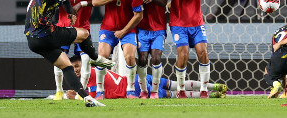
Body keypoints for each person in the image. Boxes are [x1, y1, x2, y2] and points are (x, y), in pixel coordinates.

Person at [25, 0, 114, 107]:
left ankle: (87, 98)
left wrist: (70, 13)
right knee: (84, 34)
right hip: (45, 34)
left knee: (66, 66)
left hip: (33, 41)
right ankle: (96, 59)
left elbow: (64, 0)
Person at [92, 0, 143, 99]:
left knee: (130, 56)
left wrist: (123, 31)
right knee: (102, 56)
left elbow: (138, 15)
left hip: (127, 29)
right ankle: (100, 91)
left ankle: (131, 90)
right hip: (108, 28)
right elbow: (95, 1)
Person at [66, 56, 228, 99]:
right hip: (136, 79)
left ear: (83, 65)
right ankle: (215, 87)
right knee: (173, 84)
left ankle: (213, 93)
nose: (76, 70)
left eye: (77, 66)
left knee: (174, 93)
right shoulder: (97, 69)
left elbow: (93, 98)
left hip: (134, 89)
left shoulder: (91, 77)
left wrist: (76, 97)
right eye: (73, 68)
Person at [168, 0, 212, 98]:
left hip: (196, 22)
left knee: (203, 53)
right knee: (183, 55)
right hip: (178, 23)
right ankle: (180, 89)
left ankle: (204, 90)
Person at [53, 0, 99, 100]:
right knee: (59, 59)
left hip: (82, 29)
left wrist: (83, 3)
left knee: (85, 61)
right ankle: (59, 90)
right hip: (63, 28)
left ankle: (82, 93)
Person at [132, 0, 168, 99]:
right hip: (142, 27)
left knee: (156, 58)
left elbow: (164, 2)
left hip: (159, 27)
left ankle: (154, 91)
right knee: (142, 58)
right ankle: (143, 90)